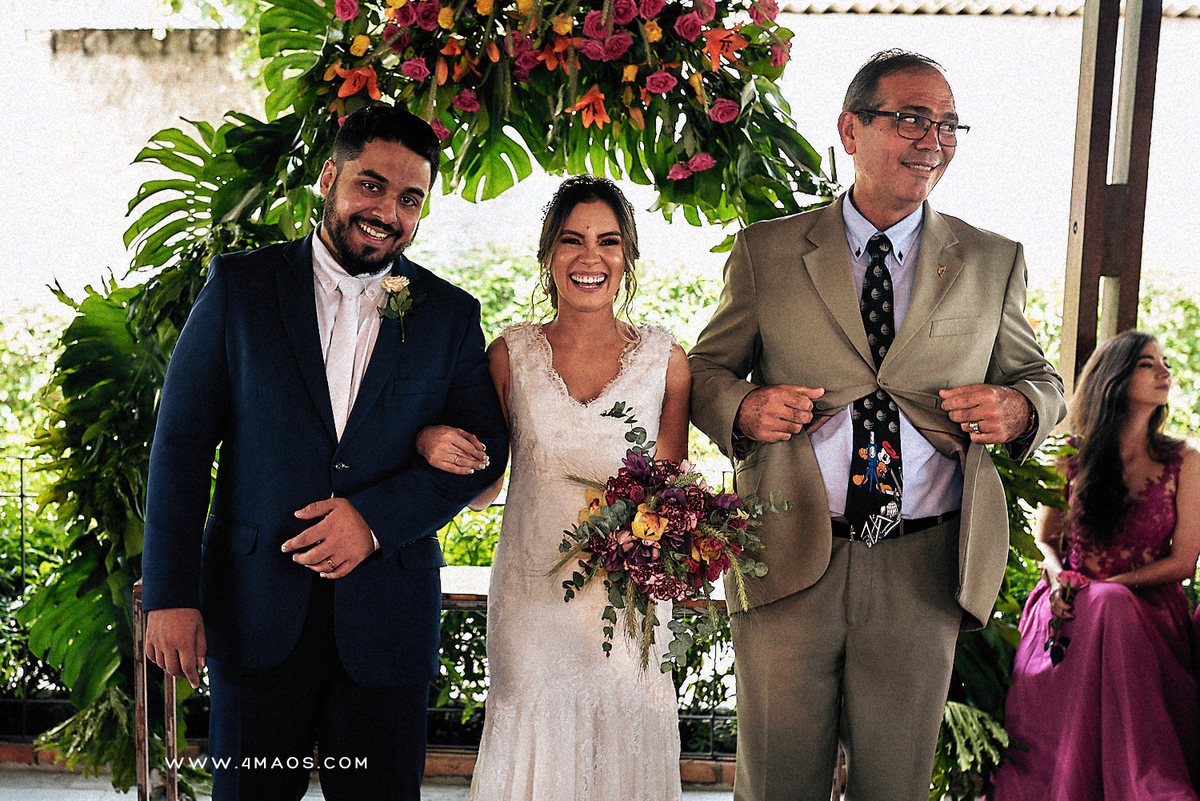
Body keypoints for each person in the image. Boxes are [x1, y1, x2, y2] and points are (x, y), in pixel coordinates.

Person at [688, 49, 1067, 801]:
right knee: (776, 785)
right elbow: (703, 372)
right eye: (912, 119)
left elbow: (1043, 381)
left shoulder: (992, 260)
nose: (935, 139)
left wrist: (1021, 408)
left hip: (924, 565)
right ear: (850, 129)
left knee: (894, 786)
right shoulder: (767, 251)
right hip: (786, 551)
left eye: (948, 124)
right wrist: (743, 407)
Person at [141, 105, 509, 801]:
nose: (387, 213)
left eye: (410, 199)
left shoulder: (448, 313)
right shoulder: (241, 289)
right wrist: (170, 597)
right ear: (329, 178)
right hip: (254, 612)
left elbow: (486, 454)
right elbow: (181, 447)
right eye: (371, 186)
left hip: (386, 622)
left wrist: (373, 520)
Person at [415, 174, 691, 800]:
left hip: (627, 603)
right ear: (548, 254)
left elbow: (671, 500)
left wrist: (675, 546)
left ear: (628, 256)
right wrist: (430, 440)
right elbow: (483, 488)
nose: (590, 257)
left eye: (608, 241)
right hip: (533, 601)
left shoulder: (666, 362)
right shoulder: (509, 356)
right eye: (572, 240)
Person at [992, 330, 1200, 800]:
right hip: (1068, 608)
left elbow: (1184, 561)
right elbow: (1045, 541)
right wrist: (1057, 582)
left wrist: (1115, 586)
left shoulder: (1185, 460)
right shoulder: (1071, 455)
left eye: (1165, 363)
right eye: (1148, 363)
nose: (1165, 372)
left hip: (1148, 614)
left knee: (1111, 603)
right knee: (1105, 604)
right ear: (1115, 377)